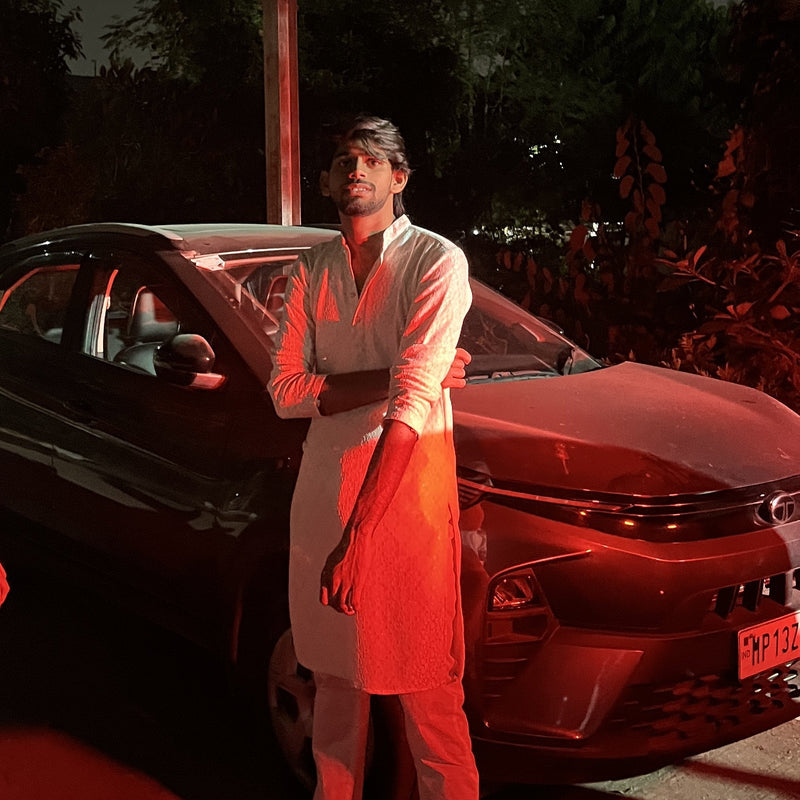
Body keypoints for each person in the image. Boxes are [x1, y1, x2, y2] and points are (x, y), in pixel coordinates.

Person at [268, 114, 479, 800]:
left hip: (401, 514)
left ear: (399, 177)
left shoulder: (436, 262)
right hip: (323, 500)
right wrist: (400, 373)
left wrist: (360, 538)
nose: (354, 168)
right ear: (328, 180)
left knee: (429, 701)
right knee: (333, 695)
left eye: (370, 159)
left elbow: (411, 411)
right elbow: (286, 393)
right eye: (342, 159)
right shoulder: (312, 267)